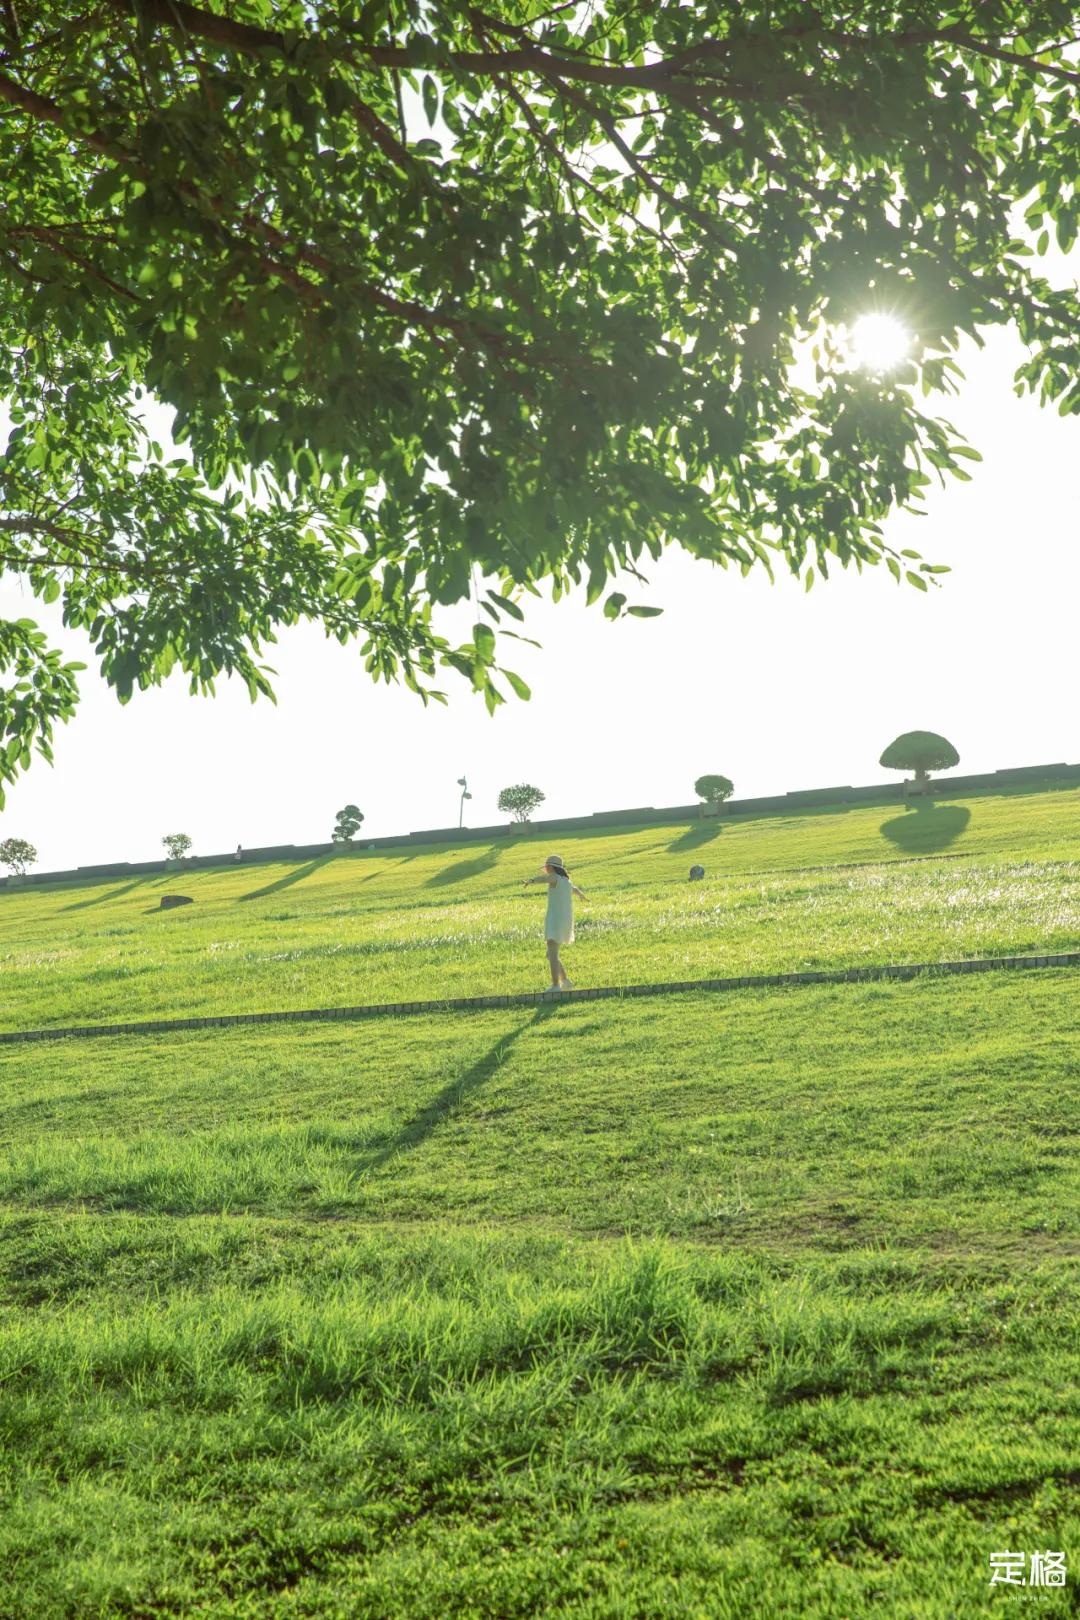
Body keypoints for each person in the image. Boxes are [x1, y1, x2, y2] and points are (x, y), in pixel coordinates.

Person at [523, 854, 586, 990]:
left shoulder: (555, 878)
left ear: (550, 867)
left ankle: (556, 985)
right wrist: (581, 895)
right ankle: (565, 981)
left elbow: (545, 879)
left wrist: (531, 881)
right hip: (564, 921)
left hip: (555, 920)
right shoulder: (566, 881)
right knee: (550, 954)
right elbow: (575, 890)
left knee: (552, 955)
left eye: (546, 867)